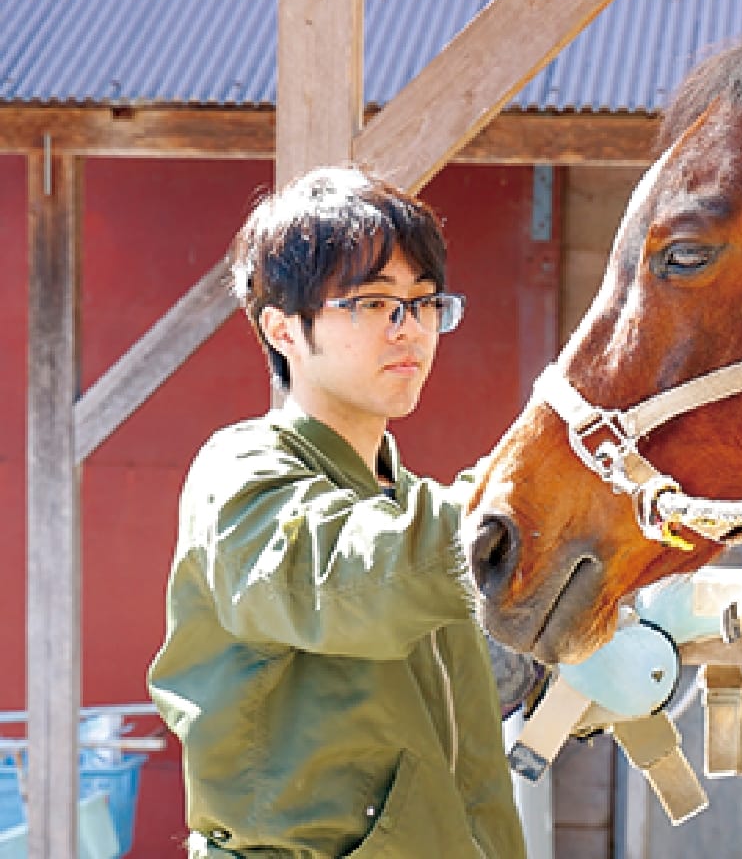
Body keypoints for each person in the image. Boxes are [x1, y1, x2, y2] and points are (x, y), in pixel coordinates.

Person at [148, 165, 531, 857]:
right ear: (283, 329)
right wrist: (534, 497)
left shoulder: (409, 501)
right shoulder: (242, 472)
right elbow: (344, 579)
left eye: (423, 301)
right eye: (371, 302)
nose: (408, 328)